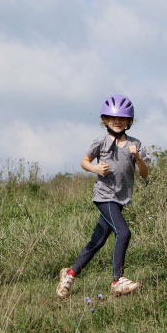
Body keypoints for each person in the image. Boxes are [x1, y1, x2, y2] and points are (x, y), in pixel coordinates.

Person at [56, 94, 149, 298]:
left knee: (97, 241)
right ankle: (117, 280)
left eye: (123, 119)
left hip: (120, 199)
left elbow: (144, 173)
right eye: (113, 118)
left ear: (129, 122)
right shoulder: (101, 141)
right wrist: (95, 168)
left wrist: (137, 157)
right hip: (104, 197)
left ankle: (69, 275)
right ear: (105, 120)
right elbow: (84, 161)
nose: (117, 122)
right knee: (124, 233)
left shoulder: (136, 144)